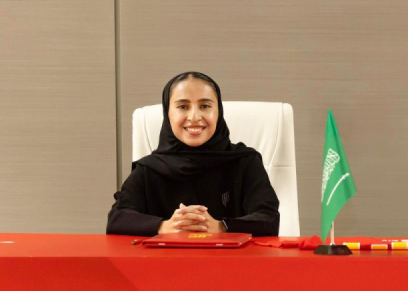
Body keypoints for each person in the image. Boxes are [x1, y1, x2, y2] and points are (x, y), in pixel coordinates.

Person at [107, 72, 280, 236]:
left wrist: (222, 226)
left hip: (233, 257)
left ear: (218, 112)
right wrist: (165, 226)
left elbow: (268, 218)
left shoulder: (245, 161)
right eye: (183, 106)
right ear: (168, 113)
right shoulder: (149, 168)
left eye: (205, 106)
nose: (194, 117)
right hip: (164, 258)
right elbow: (117, 218)